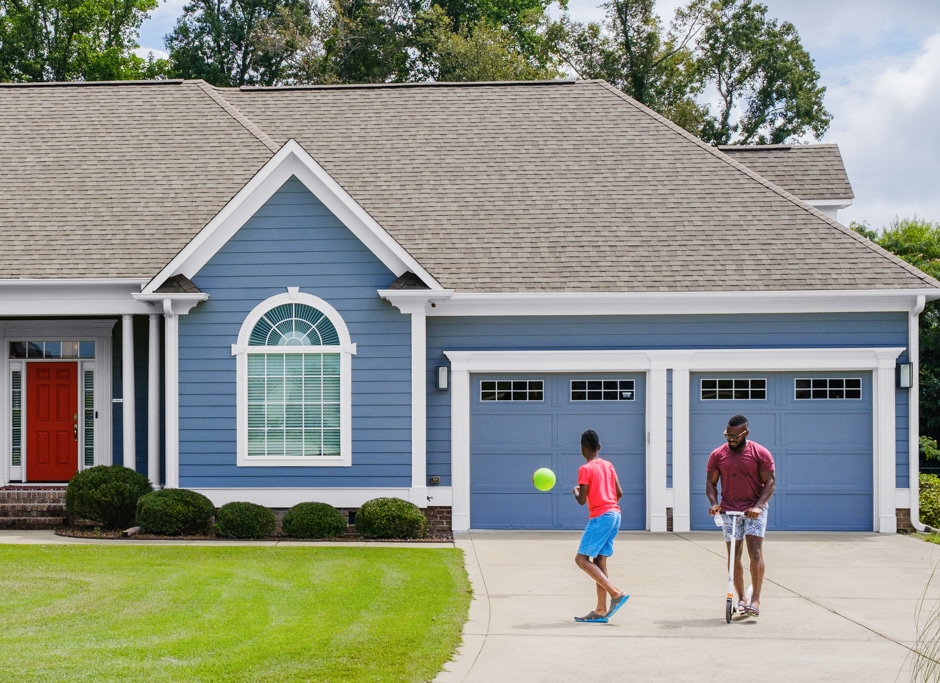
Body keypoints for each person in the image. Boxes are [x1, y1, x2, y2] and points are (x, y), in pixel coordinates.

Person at [706, 414, 776, 618]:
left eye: (735, 436)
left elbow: (770, 482)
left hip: (754, 510)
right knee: (733, 556)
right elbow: (711, 483)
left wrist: (758, 506)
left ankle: (755, 599)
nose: (731, 439)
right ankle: (741, 598)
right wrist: (714, 504)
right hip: (729, 510)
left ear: (746, 433)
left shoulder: (760, 453)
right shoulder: (718, 454)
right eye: (728, 435)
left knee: (755, 552)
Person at [572, 428, 630, 623]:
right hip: (615, 515)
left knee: (581, 559)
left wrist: (576, 491)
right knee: (599, 562)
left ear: (582, 449)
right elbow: (619, 493)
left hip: (600, 516)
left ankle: (615, 593)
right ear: (599, 447)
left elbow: (581, 500)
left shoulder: (585, 469)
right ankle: (600, 609)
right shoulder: (608, 465)